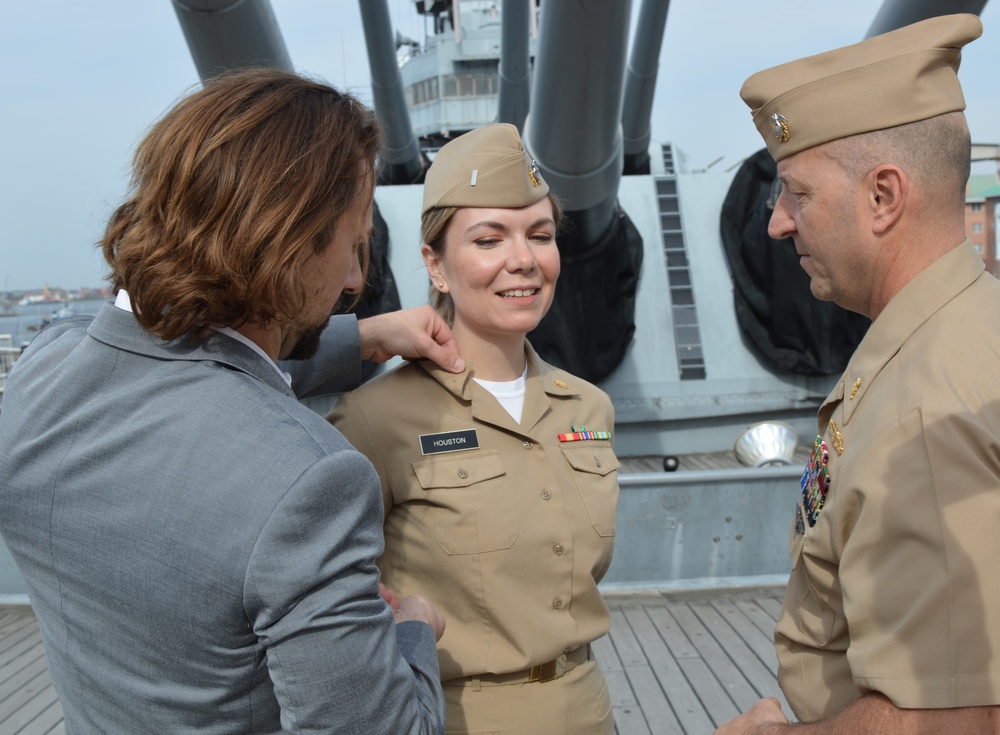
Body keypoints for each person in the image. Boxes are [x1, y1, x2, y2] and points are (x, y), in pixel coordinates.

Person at [0, 68, 466, 734]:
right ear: (288, 243)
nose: (356, 278)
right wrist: (414, 632)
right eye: (351, 242)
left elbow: (185, 383)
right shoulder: (310, 483)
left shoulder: (43, 370)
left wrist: (362, 338)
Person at [715, 13, 1000, 734]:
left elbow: (947, 718)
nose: (778, 222)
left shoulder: (924, 414)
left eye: (798, 193)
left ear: (883, 197)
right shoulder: (967, 331)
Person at [327, 123, 619, 734]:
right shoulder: (374, 421)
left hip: (587, 712)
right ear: (435, 265)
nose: (523, 259)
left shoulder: (587, 409)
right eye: (489, 240)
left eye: (540, 236)